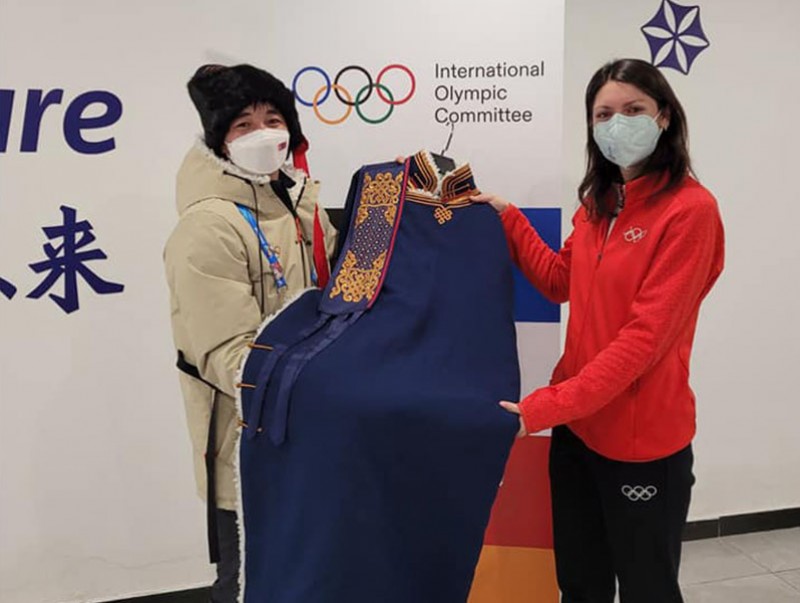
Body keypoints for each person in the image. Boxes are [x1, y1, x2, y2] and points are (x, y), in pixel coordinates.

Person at [473, 58, 725, 603]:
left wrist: (542, 408)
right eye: (604, 114)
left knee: (647, 589)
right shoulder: (599, 203)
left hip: (641, 442)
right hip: (577, 431)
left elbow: (642, 342)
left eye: (633, 110)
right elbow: (558, 280)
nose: (617, 124)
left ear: (664, 116)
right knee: (580, 584)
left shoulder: (691, 212)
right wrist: (508, 216)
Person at [163, 64, 337, 603]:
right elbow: (229, 356)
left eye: (273, 119)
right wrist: (325, 383)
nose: (263, 134)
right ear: (220, 140)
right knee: (250, 584)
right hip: (248, 445)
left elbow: (345, 291)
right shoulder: (208, 226)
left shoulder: (300, 205)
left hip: (312, 432)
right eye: (243, 124)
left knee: (314, 578)